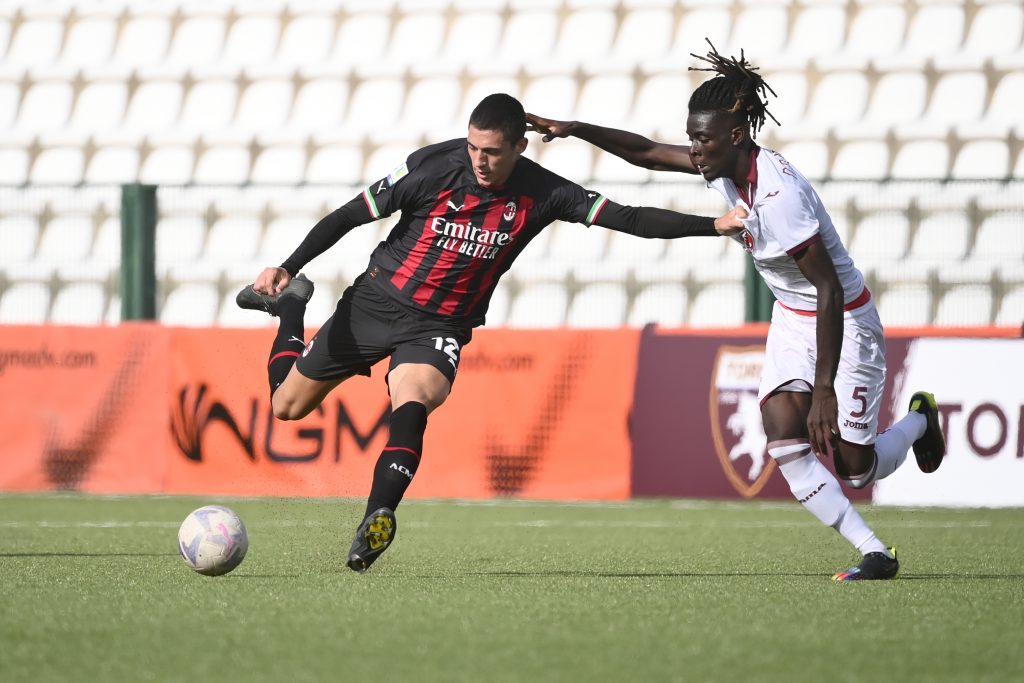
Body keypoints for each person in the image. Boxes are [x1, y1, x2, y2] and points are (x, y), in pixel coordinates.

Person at [236, 93, 746, 573]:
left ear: (520, 146)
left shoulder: (545, 192)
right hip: (374, 301)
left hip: (439, 326)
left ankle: (377, 517)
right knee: (286, 406)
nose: (480, 160)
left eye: (493, 152)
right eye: (473, 148)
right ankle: (292, 307)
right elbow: (349, 215)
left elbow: (629, 218)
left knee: (411, 399)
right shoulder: (431, 167)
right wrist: (288, 265)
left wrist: (712, 225)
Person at [526, 42, 946, 581]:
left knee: (857, 468)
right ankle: (875, 553)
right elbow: (647, 152)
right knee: (782, 435)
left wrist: (824, 392)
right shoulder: (724, 164)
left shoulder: (779, 197)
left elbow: (830, 292)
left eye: (701, 139)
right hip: (795, 315)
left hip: (842, 319)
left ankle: (920, 419)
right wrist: (573, 127)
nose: (693, 149)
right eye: (692, 138)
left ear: (736, 135)